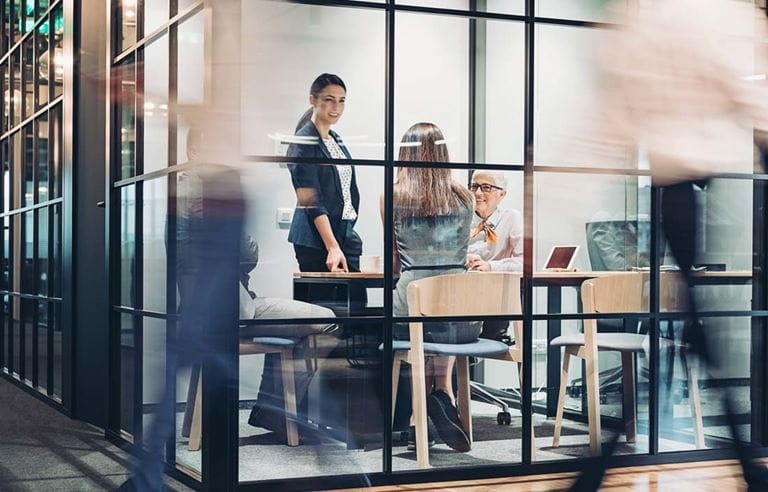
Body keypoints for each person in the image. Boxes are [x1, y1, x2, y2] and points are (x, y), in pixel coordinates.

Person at [569, 1, 768, 490]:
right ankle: (742, 466)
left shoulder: (643, 18)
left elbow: (612, 117)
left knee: (690, 329)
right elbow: (750, 87)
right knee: (692, 330)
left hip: (681, 182)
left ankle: (599, 468)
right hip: (690, 181)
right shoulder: (710, 13)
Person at [381, 122, 479, 453]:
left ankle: (414, 417)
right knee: (441, 313)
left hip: (414, 307)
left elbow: (394, 261)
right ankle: (443, 393)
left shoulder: (392, 195)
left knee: (419, 319)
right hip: (464, 317)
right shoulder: (465, 195)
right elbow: (461, 254)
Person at [287, 73, 366, 313]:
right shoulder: (303, 141)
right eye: (329, 99)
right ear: (313, 99)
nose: (336, 107)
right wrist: (332, 246)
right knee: (323, 311)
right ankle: (317, 351)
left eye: (342, 101)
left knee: (355, 307)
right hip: (317, 239)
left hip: (343, 232)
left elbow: (345, 188)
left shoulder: (336, 139)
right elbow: (312, 200)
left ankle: (348, 349)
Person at [466, 170, 523, 343]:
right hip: (462, 295)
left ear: (502, 194)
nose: (477, 193)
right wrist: (463, 259)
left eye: (486, 187)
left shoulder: (511, 217)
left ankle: (495, 335)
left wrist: (491, 266)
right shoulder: (460, 217)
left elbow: (525, 261)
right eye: (474, 186)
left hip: (495, 298)